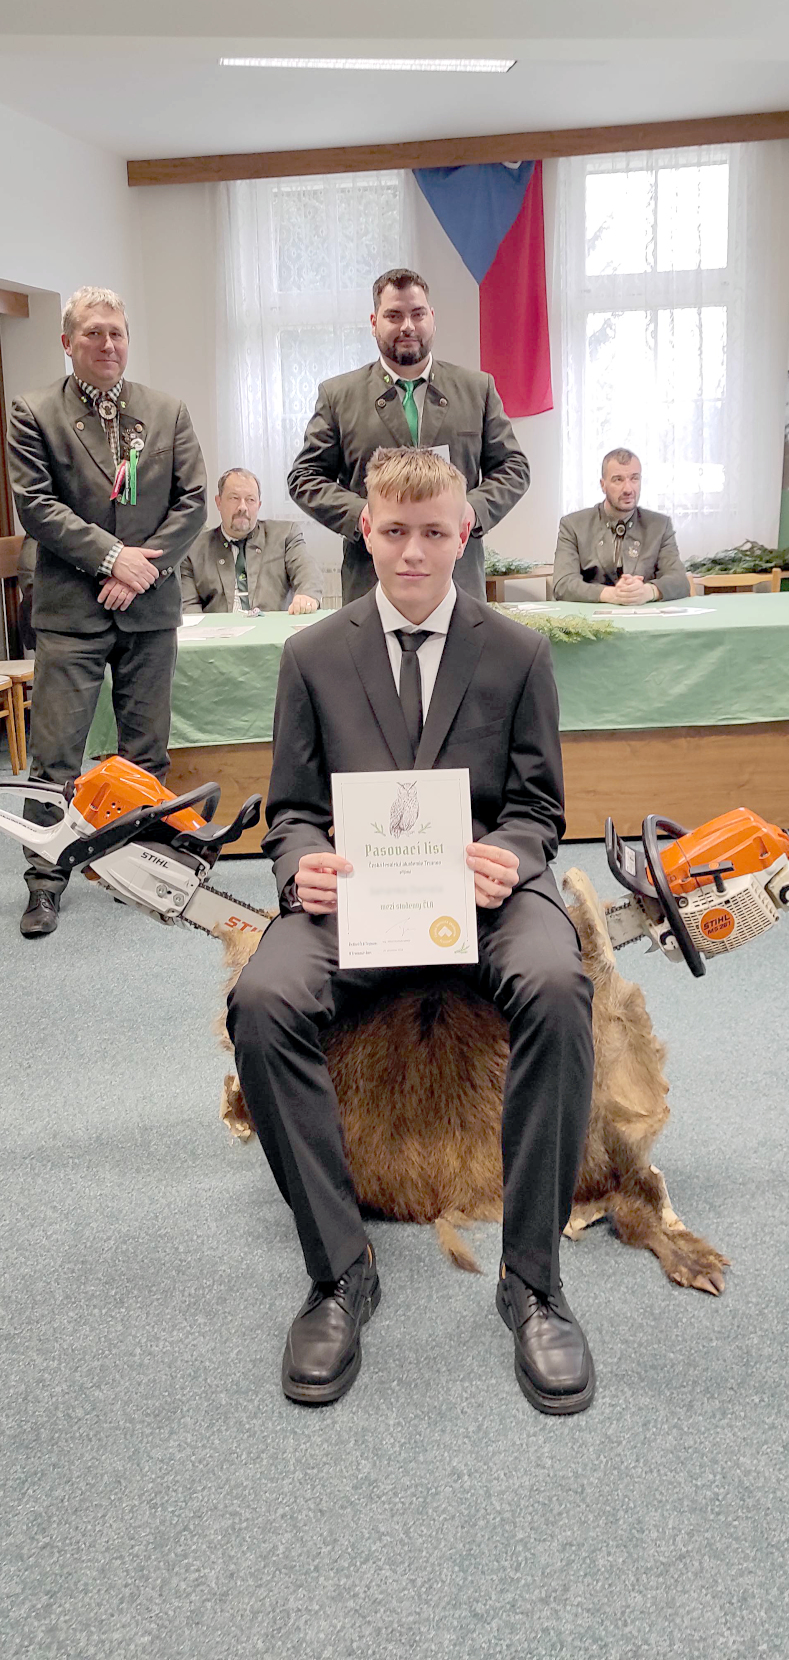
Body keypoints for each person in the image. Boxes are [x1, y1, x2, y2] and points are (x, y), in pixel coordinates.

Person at [227, 446, 595, 1417]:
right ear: (366, 531)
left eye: (435, 532)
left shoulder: (518, 652)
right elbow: (291, 809)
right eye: (395, 531)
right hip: (357, 899)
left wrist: (512, 853)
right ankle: (339, 1271)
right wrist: (299, 862)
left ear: (464, 533)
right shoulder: (312, 655)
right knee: (262, 1000)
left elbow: (541, 807)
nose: (414, 552)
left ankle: (533, 1280)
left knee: (560, 984)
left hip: (487, 900)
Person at [7, 285, 206, 938]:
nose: (108, 343)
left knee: (146, 755)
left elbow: (193, 501)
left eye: (117, 332)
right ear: (68, 342)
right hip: (72, 613)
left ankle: (139, 867)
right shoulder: (33, 411)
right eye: (93, 332)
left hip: (148, 609)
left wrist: (141, 571)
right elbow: (37, 506)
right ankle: (45, 881)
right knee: (55, 761)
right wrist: (113, 558)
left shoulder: (167, 411)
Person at [287, 268, 530, 604]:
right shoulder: (339, 396)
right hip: (370, 583)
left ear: (432, 318)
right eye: (394, 315)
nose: (408, 326)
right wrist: (363, 514)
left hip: (458, 581)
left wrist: (471, 509)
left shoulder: (477, 389)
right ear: (374, 322)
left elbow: (514, 467)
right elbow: (304, 477)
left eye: (417, 314)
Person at [552, 448, 689, 604]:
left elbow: (679, 580)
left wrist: (648, 591)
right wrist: (610, 594)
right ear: (603, 485)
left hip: (644, 614)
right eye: (618, 480)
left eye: (634, 479)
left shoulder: (660, 526)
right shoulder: (573, 525)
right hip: (590, 616)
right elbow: (562, 584)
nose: (628, 489)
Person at [180, 467, 322, 614]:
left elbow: (307, 572)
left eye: (250, 500)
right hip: (218, 628)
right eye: (234, 498)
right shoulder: (194, 548)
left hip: (271, 627)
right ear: (219, 502)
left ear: (259, 505)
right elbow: (188, 608)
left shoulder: (284, 535)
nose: (242, 507)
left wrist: (306, 596)